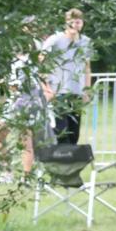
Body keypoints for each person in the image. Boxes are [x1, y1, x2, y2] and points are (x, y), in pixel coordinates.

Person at [41, 8, 92, 145]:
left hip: (76, 91)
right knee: (62, 131)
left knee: (74, 132)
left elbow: (87, 67)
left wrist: (87, 90)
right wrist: (46, 88)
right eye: (72, 22)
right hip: (58, 92)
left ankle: (71, 163)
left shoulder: (85, 42)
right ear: (66, 23)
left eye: (78, 22)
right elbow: (41, 62)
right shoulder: (56, 40)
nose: (75, 25)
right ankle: (63, 160)